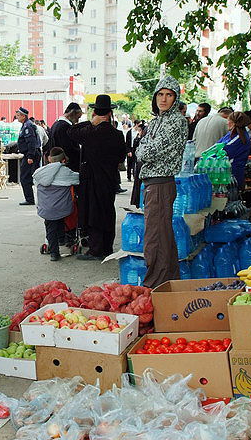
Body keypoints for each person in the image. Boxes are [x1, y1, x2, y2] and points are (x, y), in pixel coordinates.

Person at [135, 76, 188, 287]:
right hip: (152, 183)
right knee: (162, 236)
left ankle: (154, 285)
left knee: (155, 238)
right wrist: (143, 149)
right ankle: (166, 283)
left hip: (161, 183)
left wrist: (143, 149)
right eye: (160, 94)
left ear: (175, 98)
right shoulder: (158, 120)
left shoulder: (176, 121)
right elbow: (141, 147)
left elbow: (147, 151)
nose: (163, 99)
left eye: (169, 95)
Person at [68, 94, 126, 260]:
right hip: (109, 179)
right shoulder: (117, 134)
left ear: (95, 113)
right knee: (107, 211)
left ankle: (96, 250)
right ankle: (107, 247)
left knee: (93, 213)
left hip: (92, 179)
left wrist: (90, 123)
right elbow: (121, 157)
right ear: (110, 113)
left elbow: (71, 131)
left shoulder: (90, 133)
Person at [33, 146, 80, 261]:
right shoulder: (66, 172)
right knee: (60, 219)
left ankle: (55, 250)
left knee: (51, 227)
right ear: (63, 160)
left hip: (45, 208)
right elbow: (78, 179)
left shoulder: (39, 172)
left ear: (49, 159)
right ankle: (59, 244)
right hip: (62, 208)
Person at [217, 111, 251, 188]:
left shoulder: (239, 138)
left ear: (233, 123)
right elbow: (217, 146)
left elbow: (223, 151)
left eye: (229, 120)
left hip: (233, 175)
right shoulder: (231, 135)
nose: (227, 123)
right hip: (228, 174)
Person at [16, 106, 41, 205]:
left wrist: (30, 156)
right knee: (27, 176)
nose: (17, 117)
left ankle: (30, 199)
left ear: (23, 116)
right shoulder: (26, 125)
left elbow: (31, 142)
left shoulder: (28, 126)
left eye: (18, 115)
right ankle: (30, 198)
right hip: (30, 153)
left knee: (25, 177)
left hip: (30, 154)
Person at [48, 102, 83, 172]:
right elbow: (69, 149)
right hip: (67, 167)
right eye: (78, 117)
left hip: (56, 164)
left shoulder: (55, 124)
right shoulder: (65, 127)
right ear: (73, 114)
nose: (77, 121)